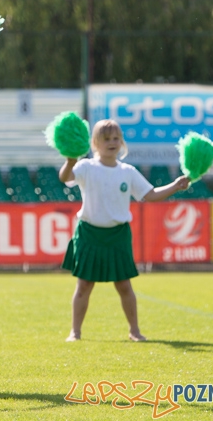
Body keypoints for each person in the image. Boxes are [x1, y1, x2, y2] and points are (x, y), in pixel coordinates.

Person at [59, 119, 189, 342]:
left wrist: (175, 186)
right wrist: (70, 161)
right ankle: (75, 332)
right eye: (106, 139)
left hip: (118, 235)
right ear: (95, 143)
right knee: (84, 285)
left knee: (124, 285)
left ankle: (134, 331)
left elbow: (150, 194)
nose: (112, 142)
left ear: (122, 142)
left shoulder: (128, 171)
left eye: (116, 138)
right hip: (89, 233)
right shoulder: (86, 166)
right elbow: (65, 177)